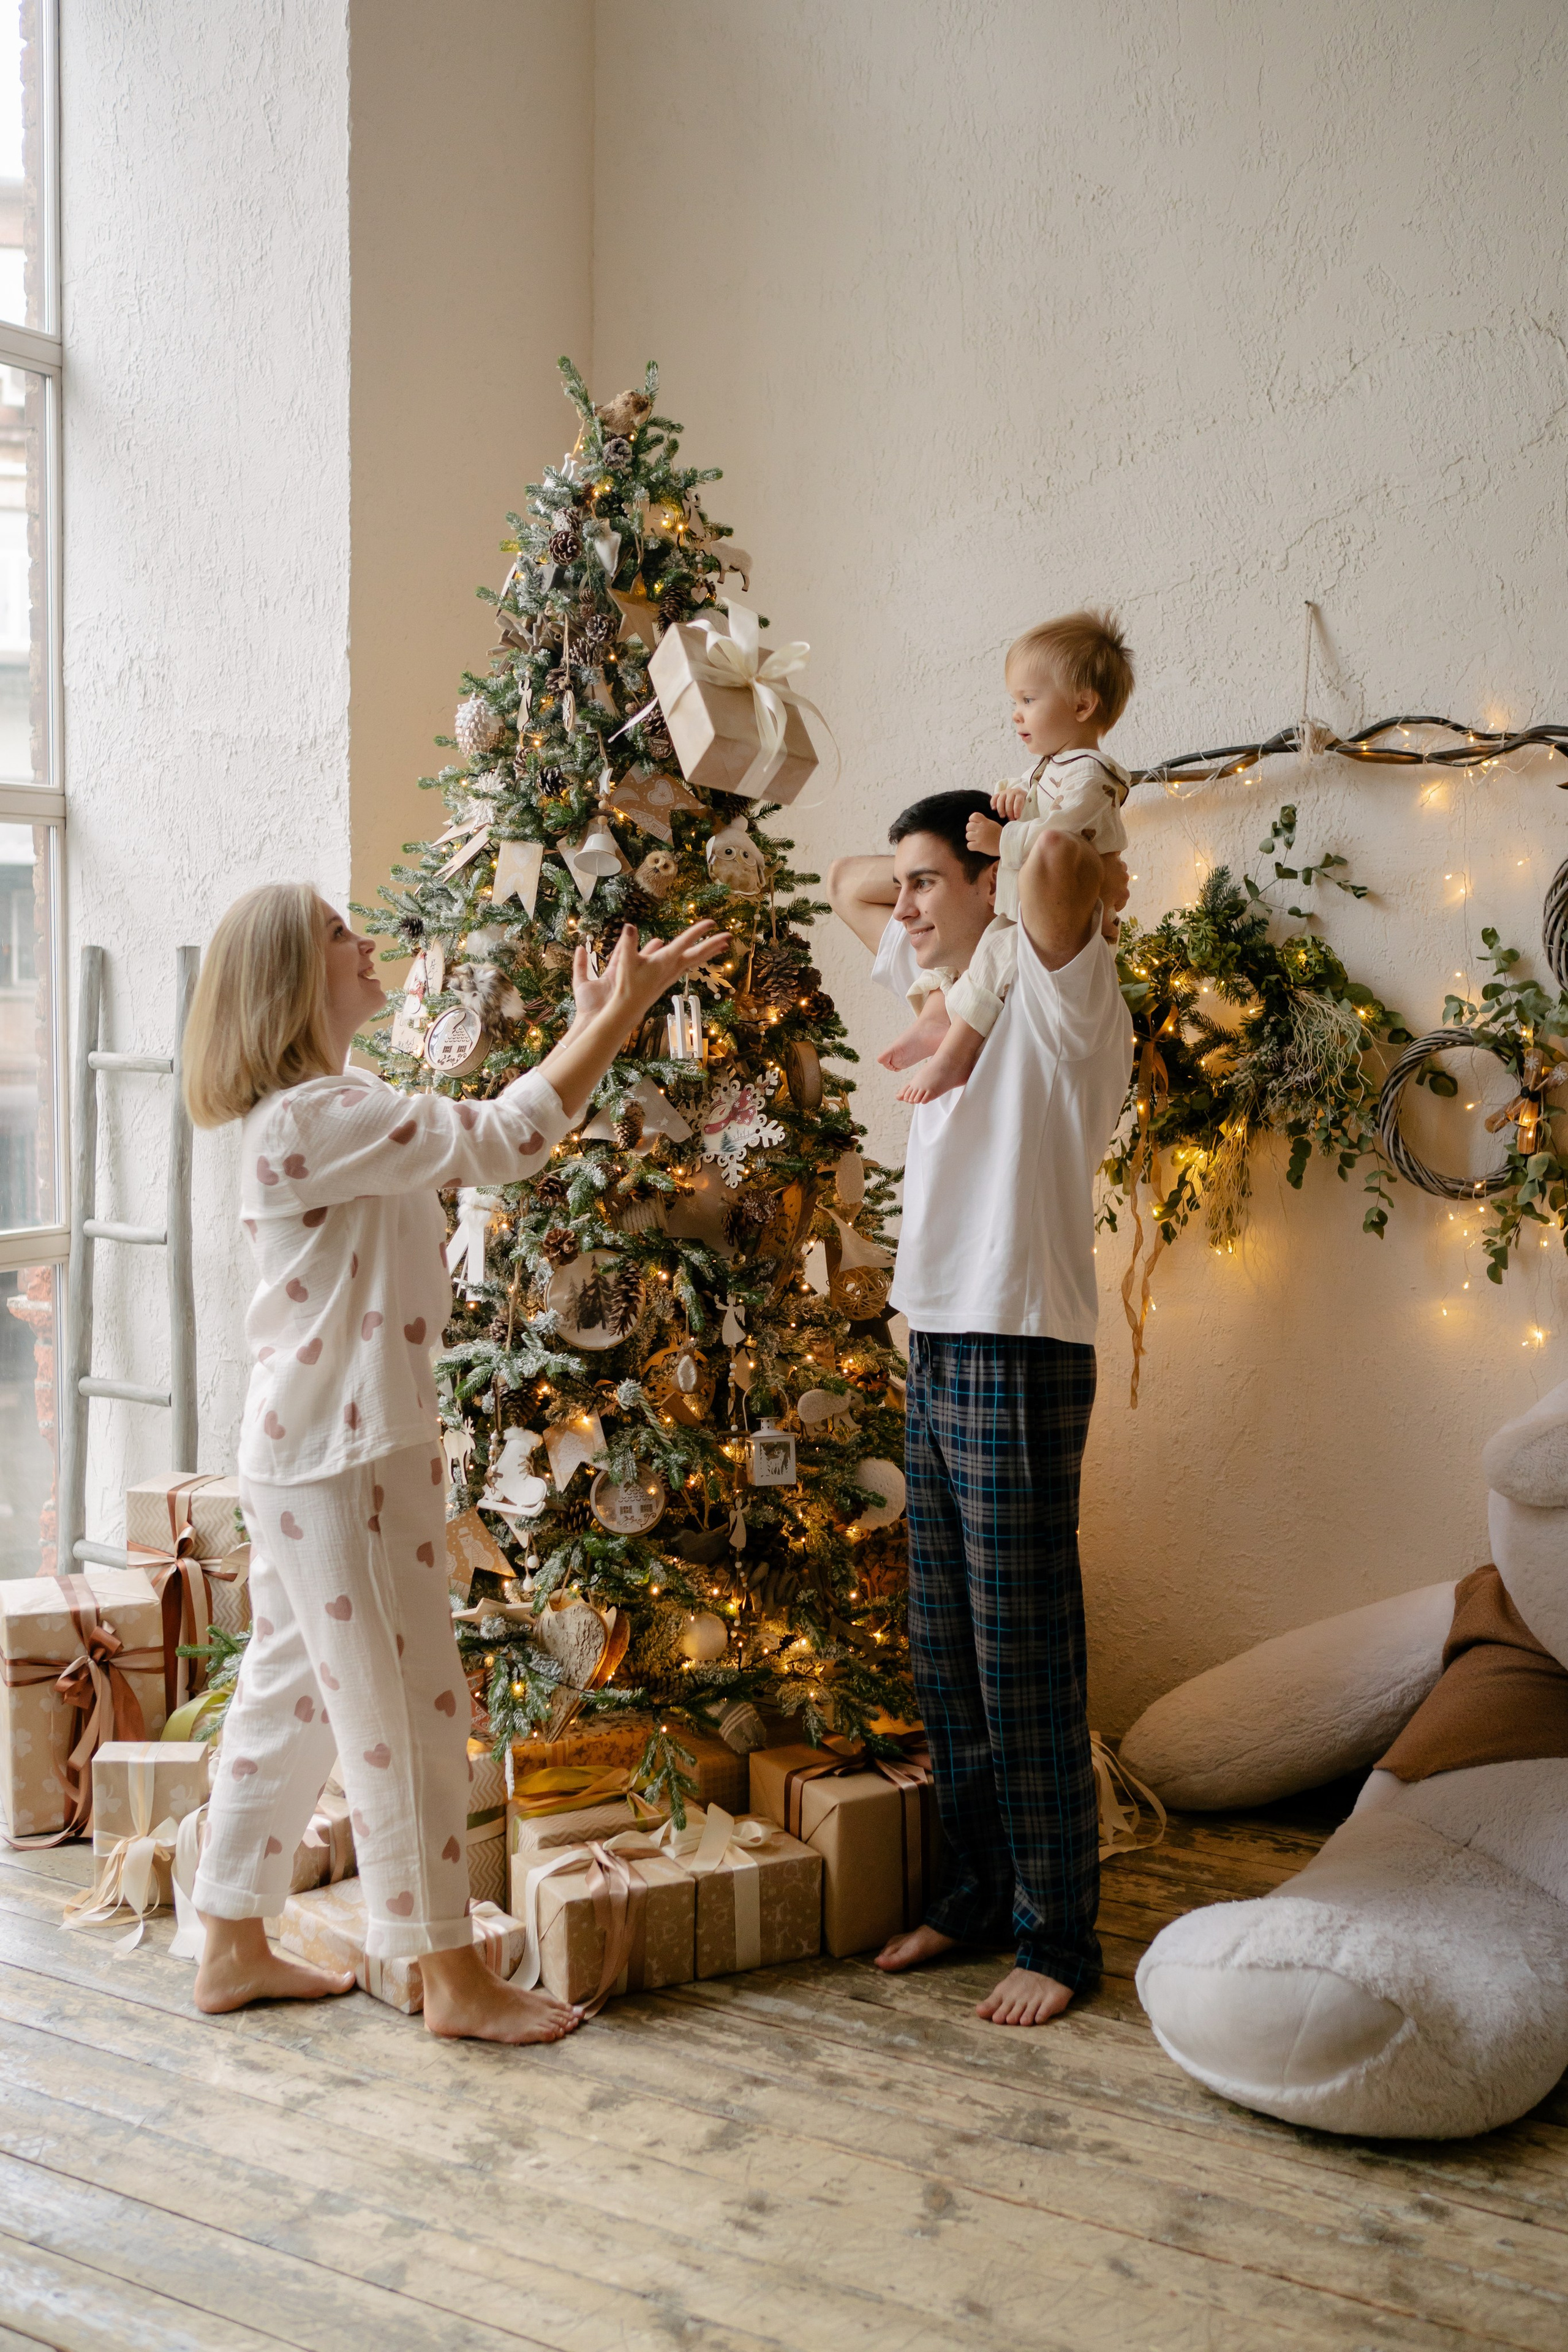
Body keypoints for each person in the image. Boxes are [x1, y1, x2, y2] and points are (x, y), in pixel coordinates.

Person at [180, 884, 728, 2042]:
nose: (364, 940)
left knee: (293, 1690)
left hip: (311, 1451)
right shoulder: (313, 1116)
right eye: (339, 932)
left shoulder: (334, 1107)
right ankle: (449, 1977)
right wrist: (616, 1017)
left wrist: (588, 1022)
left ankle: (230, 1938)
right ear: (290, 978)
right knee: (412, 1715)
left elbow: (479, 1130)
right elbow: (505, 1140)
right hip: (344, 1454)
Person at [828, 788, 1132, 2025]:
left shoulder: (1059, 987)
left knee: (1020, 1660)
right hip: (940, 1336)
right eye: (905, 889)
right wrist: (925, 886)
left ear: (989, 882)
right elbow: (847, 880)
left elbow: (1058, 854)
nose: (897, 906)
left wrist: (1025, 853)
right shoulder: (950, 985)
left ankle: (1058, 1939)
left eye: (925, 883)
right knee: (946, 1655)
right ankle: (975, 1894)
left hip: (1018, 1341)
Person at [881, 611, 1134, 1104]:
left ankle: (954, 1054)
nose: (1016, 713)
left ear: (1083, 705)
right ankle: (940, 1018)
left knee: (996, 953)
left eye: (1028, 700)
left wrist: (1005, 840)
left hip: (1072, 920)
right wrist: (1012, 801)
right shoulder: (1048, 768)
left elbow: (1058, 837)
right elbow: (1018, 794)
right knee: (984, 956)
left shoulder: (1093, 776)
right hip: (1021, 915)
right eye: (1014, 701)